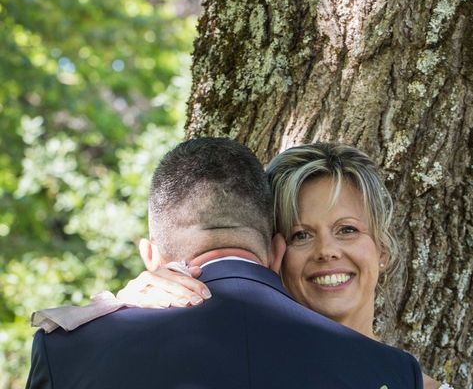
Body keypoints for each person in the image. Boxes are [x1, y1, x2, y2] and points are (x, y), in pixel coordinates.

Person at [26, 137, 423, 388]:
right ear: (278, 251)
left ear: (152, 257)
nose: (327, 251)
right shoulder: (394, 374)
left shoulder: (68, 349)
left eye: (348, 230)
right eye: (303, 234)